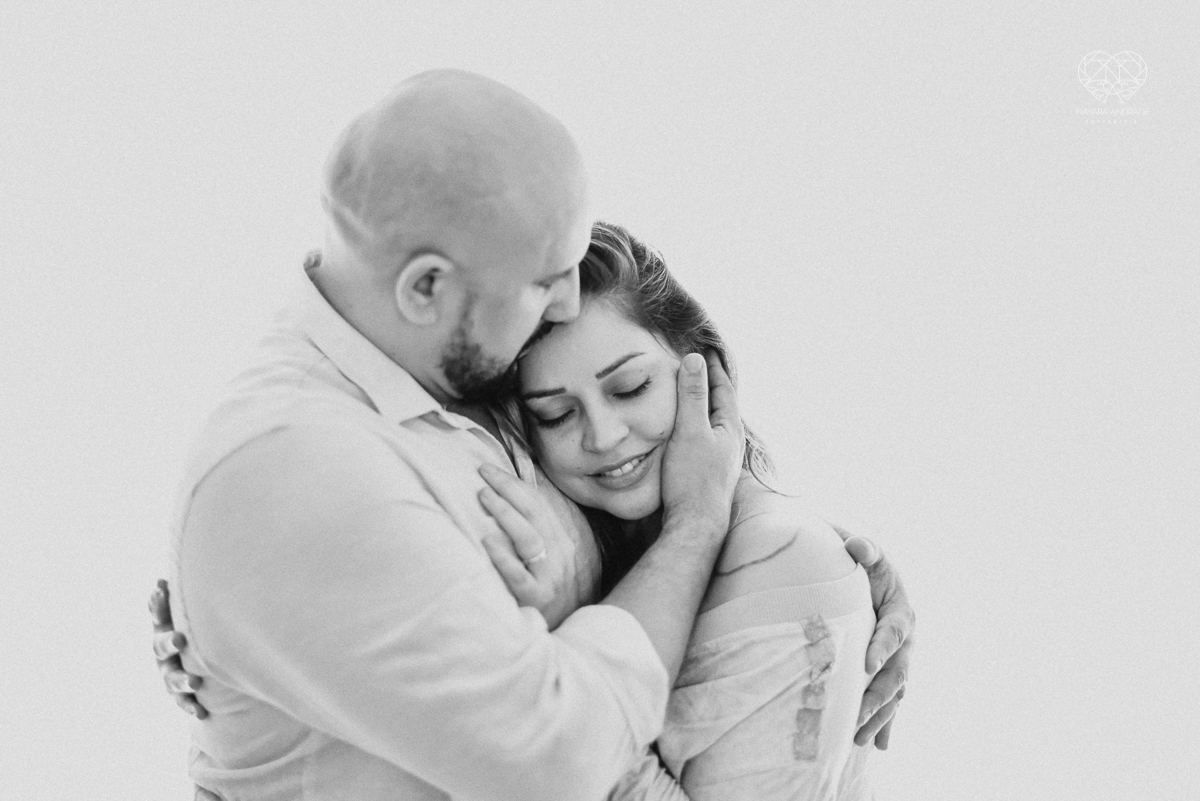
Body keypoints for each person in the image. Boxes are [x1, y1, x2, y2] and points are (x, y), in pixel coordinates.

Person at [151, 69, 913, 800]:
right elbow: (554, 766)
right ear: (426, 288)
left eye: (629, 385)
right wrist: (697, 528)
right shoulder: (297, 469)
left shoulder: (449, 383)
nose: (564, 303)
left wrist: (800, 582)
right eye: (544, 280)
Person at [487, 221, 882, 798]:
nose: (602, 435)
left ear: (710, 372)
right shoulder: (622, 550)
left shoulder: (782, 561)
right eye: (554, 415)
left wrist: (550, 697)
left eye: (629, 388)